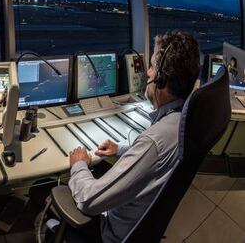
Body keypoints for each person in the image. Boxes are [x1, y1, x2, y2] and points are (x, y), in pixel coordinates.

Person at [68, 30, 200, 242]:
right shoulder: (184, 121)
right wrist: (121, 150)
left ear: (161, 79)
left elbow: (89, 200)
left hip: (111, 232)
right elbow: (154, 162)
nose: (147, 72)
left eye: (151, 66)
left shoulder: (154, 141)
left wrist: (79, 165)